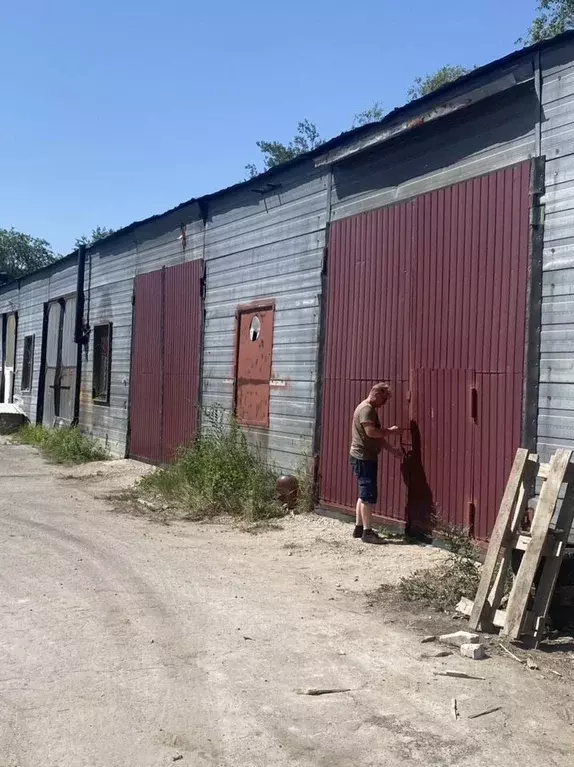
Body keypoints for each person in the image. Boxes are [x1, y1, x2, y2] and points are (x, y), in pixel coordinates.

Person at [349, 383, 402, 544]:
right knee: (368, 495)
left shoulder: (365, 408)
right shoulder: (367, 410)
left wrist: (392, 450)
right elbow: (371, 433)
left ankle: (359, 528)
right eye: (384, 399)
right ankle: (367, 532)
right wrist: (390, 431)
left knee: (363, 493)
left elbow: (376, 437)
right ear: (377, 394)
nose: (384, 403)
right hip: (364, 458)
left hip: (362, 456)